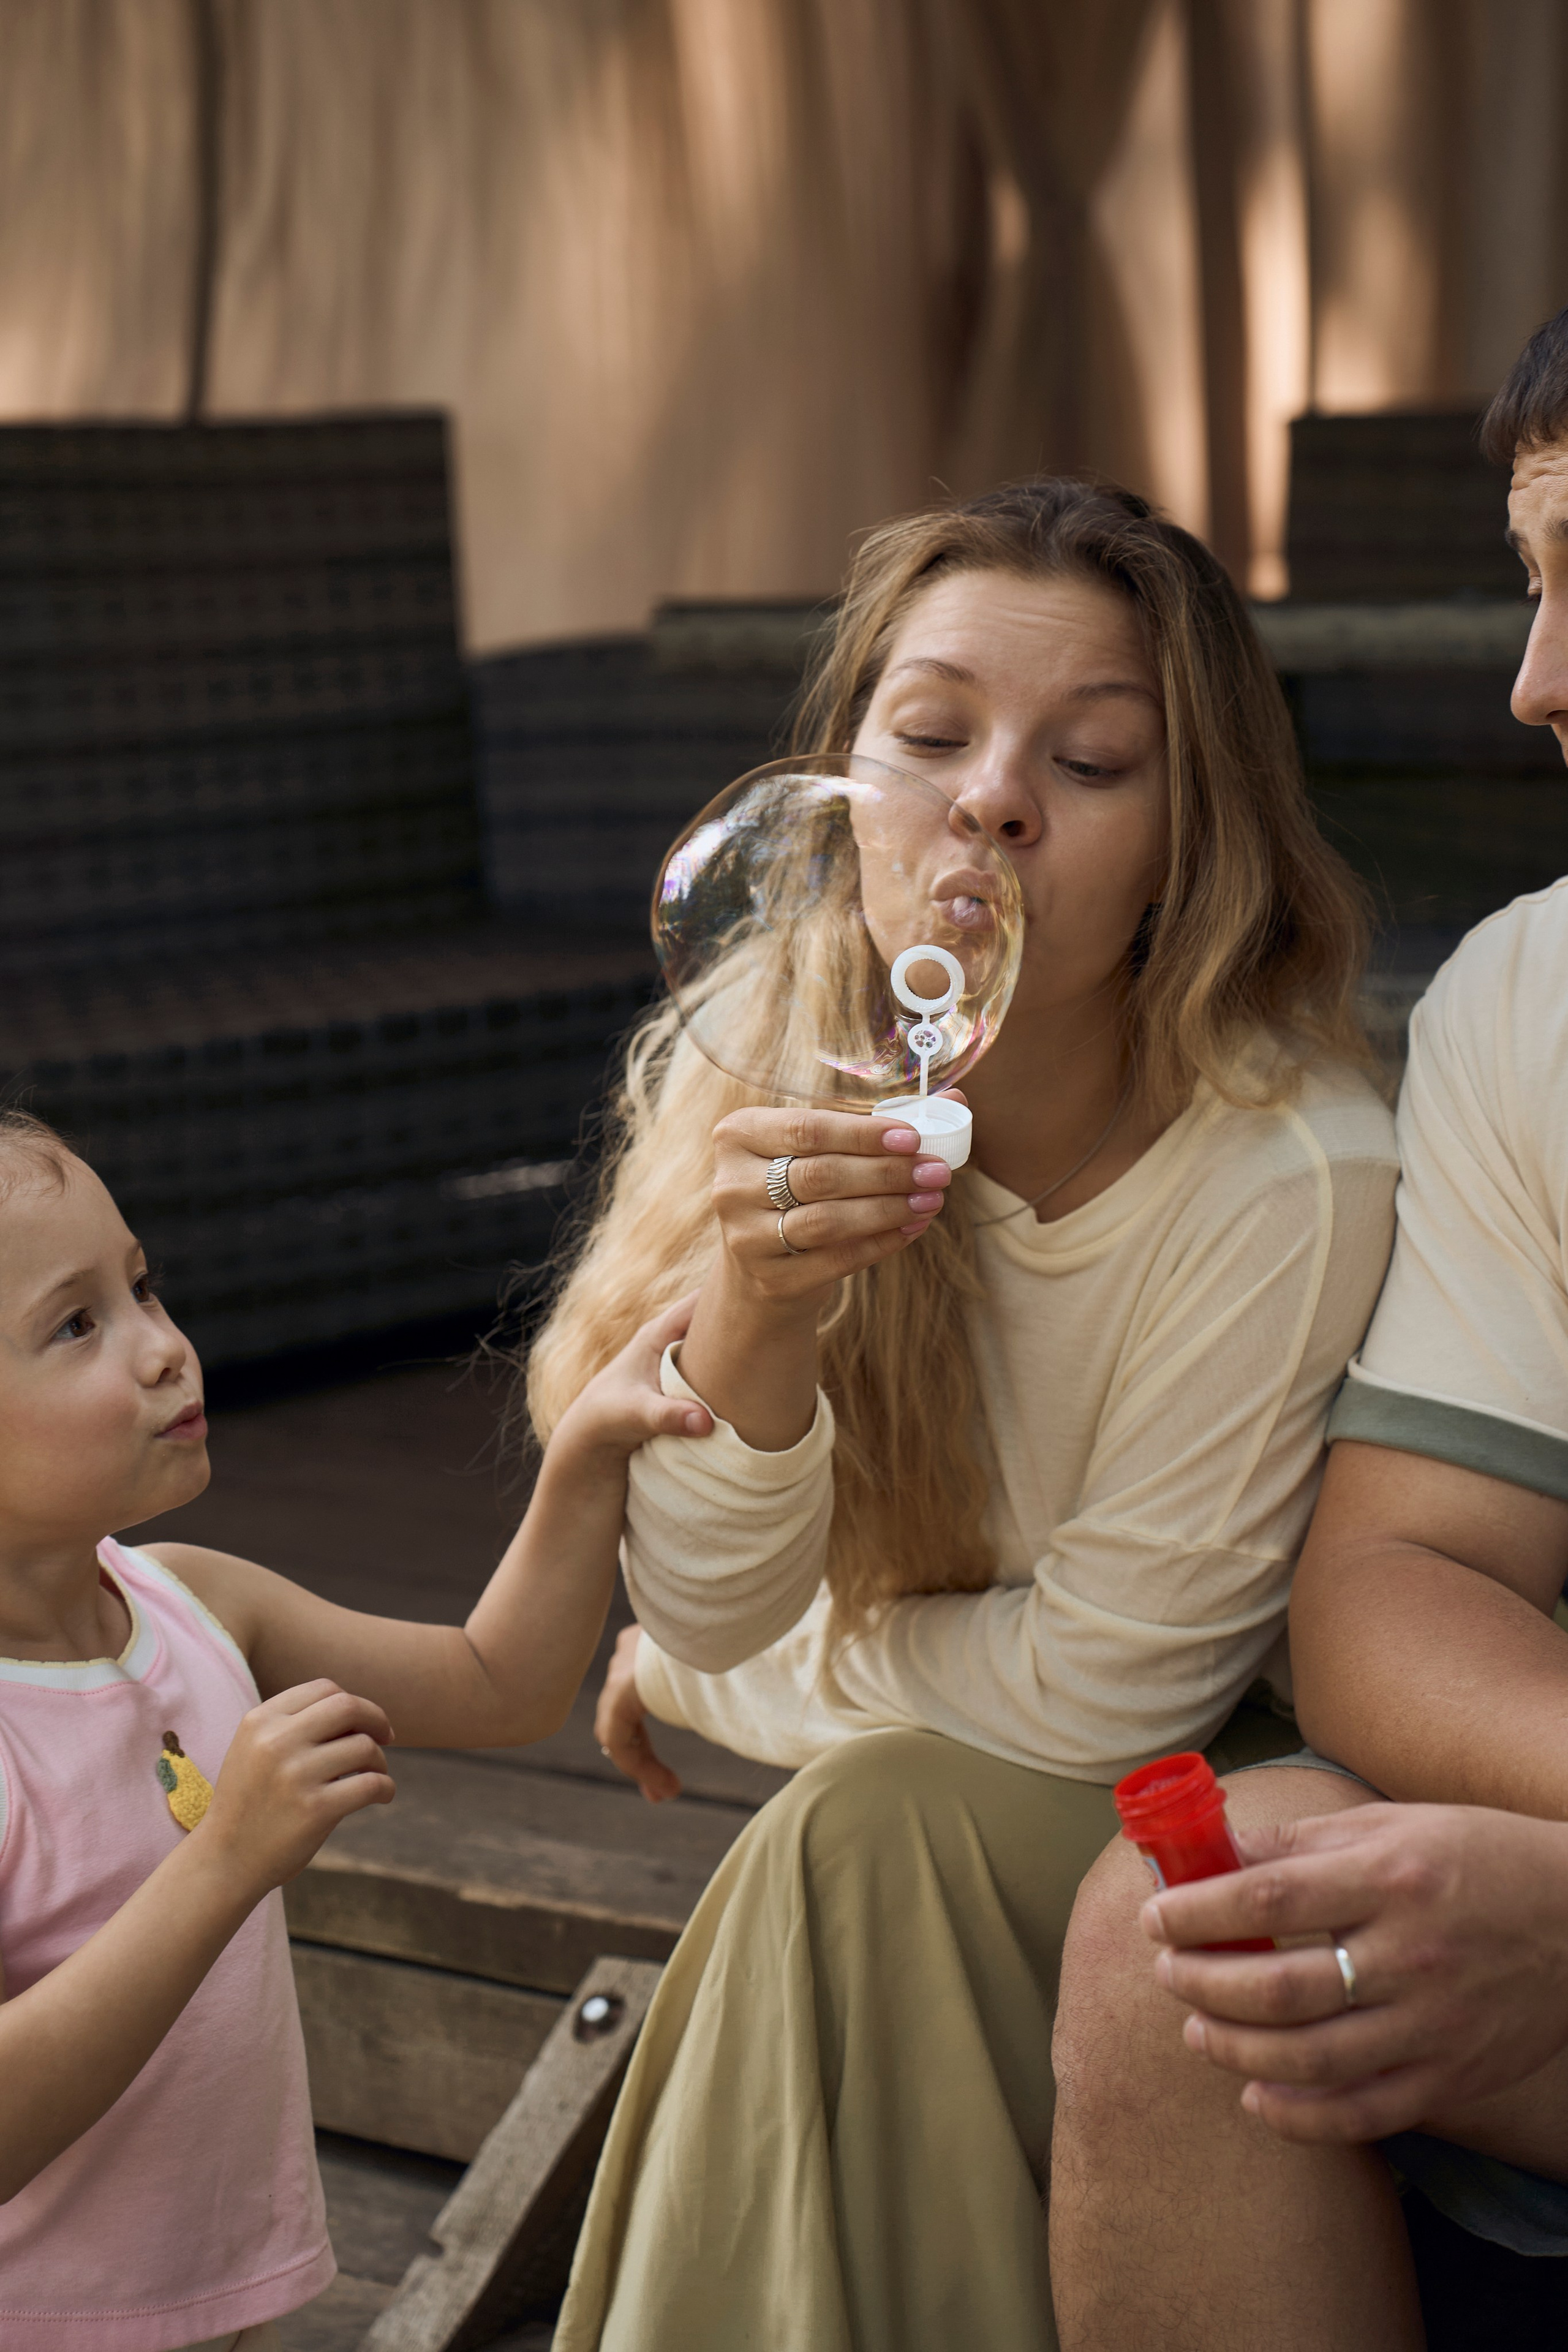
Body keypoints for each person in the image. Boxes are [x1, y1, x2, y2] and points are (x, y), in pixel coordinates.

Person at [527, 478, 1401, 2351]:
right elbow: (708, 1599)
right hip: (933, 1773)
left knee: (858, 1833)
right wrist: (762, 1317)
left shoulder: (1284, 1167)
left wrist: (718, 1691)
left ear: (1188, 842)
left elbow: (1105, 1696)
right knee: (865, 1828)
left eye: (1090, 762)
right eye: (930, 736)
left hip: (1204, 1777)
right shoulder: (770, 1055)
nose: (992, 800)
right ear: (844, 785)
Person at [1048, 308, 1568, 2352]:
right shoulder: (1531, 1001)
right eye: (1535, 584)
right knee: (1196, 1938)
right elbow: (1396, 1578)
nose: (1538, 683)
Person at [0, 1106, 710, 2352]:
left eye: (143, 1288)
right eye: (76, 1324)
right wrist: (225, 1861)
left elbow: (498, 1684)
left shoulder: (196, 1604)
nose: (165, 1349)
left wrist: (585, 1456)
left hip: (228, 2310)